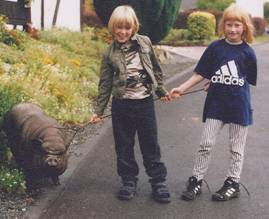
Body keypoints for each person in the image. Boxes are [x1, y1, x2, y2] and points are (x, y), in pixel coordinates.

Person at [170, 3, 257, 202]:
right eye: (229, 24)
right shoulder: (215, 48)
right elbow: (201, 72)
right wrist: (181, 88)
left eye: (237, 25)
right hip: (216, 106)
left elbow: (245, 79)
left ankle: (232, 183)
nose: (233, 29)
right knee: (205, 144)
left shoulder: (248, 53)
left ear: (244, 27)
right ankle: (196, 180)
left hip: (239, 107)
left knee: (236, 149)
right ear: (223, 25)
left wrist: (223, 79)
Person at [90, 5, 171, 203]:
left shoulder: (145, 43)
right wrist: (98, 111)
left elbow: (156, 69)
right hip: (122, 106)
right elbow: (105, 84)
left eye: (127, 28)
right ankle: (128, 181)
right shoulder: (109, 53)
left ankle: (158, 182)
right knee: (124, 145)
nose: (122, 32)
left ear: (133, 28)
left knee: (150, 144)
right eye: (119, 28)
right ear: (113, 28)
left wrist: (161, 91)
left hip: (144, 104)